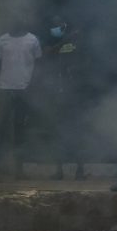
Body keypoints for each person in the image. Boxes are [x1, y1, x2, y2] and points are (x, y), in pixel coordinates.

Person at [0, 17, 42, 178]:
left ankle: (19, 169)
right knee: (0, 130)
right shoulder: (2, 40)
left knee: (21, 129)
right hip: (4, 89)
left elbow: (38, 67)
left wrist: (33, 88)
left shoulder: (32, 40)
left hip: (24, 90)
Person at [35, 16, 87, 180]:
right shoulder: (59, 44)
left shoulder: (82, 46)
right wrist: (64, 41)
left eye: (62, 27)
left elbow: (84, 65)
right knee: (58, 132)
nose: (58, 29)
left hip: (76, 94)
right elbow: (46, 53)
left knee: (77, 132)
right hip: (59, 92)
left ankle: (80, 169)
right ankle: (59, 170)